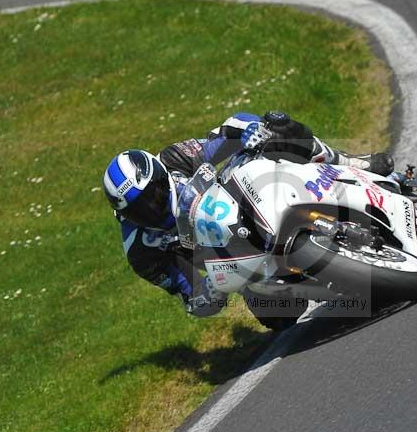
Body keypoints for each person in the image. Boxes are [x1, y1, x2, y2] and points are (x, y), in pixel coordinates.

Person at [102, 111, 394, 317]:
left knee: (279, 126)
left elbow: (226, 132)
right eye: (140, 210)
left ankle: (349, 161)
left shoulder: (175, 158)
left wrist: (250, 131)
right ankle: (327, 284)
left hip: (239, 198)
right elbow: (190, 296)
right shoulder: (141, 250)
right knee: (277, 317)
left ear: (160, 175)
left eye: (152, 196)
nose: (153, 208)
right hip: (234, 263)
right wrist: (209, 292)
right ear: (125, 216)